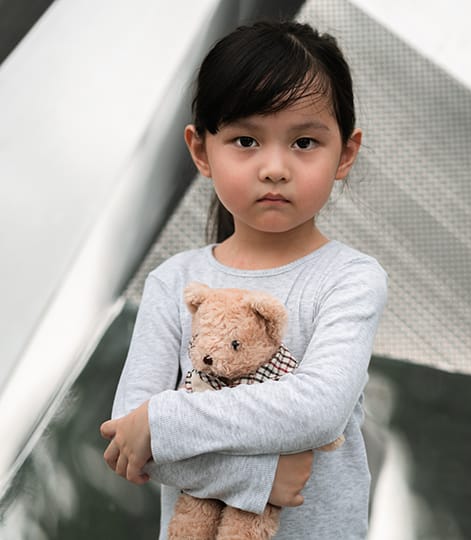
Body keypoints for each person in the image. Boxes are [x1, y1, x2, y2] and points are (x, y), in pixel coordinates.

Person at [100, 20, 387, 539]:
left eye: (304, 141)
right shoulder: (175, 282)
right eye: (246, 140)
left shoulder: (350, 279)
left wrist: (165, 423)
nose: (275, 167)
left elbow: (319, 409)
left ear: (345, 152)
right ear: (201, 151)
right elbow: (128, 441)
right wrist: (257, 475)